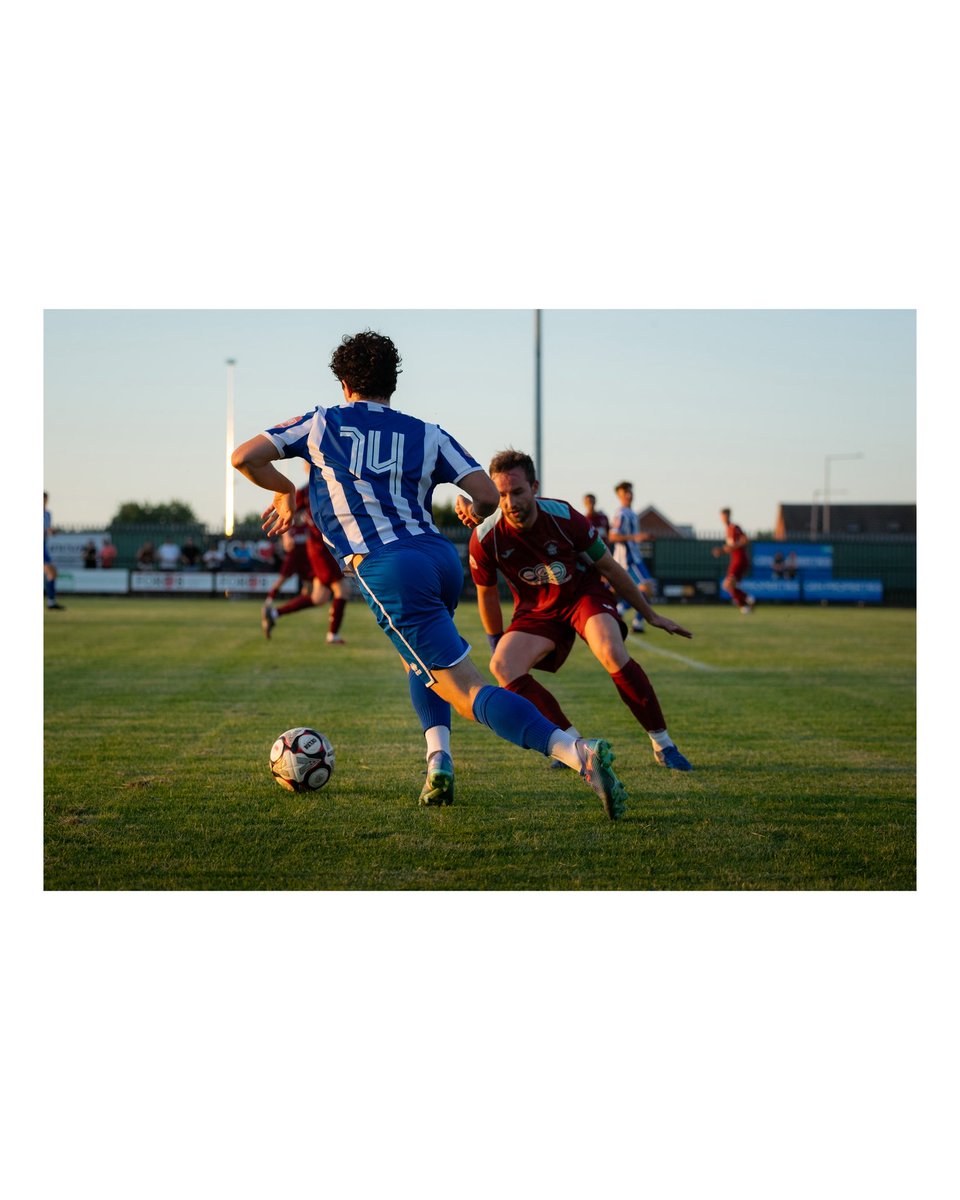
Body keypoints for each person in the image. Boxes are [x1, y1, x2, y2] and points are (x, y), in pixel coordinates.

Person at [231, 329, 628, 818]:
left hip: (387, 565)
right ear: (393, 382)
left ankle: (576, 752)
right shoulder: (427, 432)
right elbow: (485, 494)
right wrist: (469, 506)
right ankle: (438, 761)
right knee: (419, 662)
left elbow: (244, 457)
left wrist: (285, 491)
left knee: (466, 691)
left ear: (341, 381)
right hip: (439, 559)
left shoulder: (319, 424)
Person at [464, 450, 694, 772]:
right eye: (501, 494)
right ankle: (572, 745)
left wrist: (650, 613)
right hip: (537, 612)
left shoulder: (564, 517)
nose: (510, 502)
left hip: (581, 596)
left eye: (517, 492)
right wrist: (495, 641)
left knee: (611, 651)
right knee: (503, 666)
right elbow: (486, 592)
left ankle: (663, 745)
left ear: (534, 487)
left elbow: (610, 568)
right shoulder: (486, 536)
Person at [260, 484, 348, 644]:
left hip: (325, 548)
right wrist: (285, 537)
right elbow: (286, 511)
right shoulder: (306, 490)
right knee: (342, 589)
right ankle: (333, 635)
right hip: (319, 548)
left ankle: (273, 613)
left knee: (319, 597)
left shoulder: (334, 483)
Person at [607, 481, 655, 633]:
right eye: (625, 492)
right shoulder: (621, 514)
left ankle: (636, 623)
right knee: (647, 588)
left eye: (630, 491)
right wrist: (635, 537)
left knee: (647, 589)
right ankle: (623, 610)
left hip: (636, 558)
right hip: (628, 560)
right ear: (619, 495)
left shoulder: (632, 514)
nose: (628, 494)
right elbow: (613, 536)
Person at [712, 508, 755, 613]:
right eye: (722, 517)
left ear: (729, 516)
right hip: (735, 559)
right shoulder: (728, 530)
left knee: (727, 584)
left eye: (725, 516)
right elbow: (730, 547)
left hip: (739, 559)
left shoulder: (734, 527)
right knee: (729, 585)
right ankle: (745, 607)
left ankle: (747, 599)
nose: (723, 518)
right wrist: (722, 551)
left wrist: (730, 547)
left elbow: (745, 540)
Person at [43, 492, 65, 610]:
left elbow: (47, 530)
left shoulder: (47, 514)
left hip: (43, 545)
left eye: (46, 500)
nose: (45, 502)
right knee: (51, 572)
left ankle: (51, 602)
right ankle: (51, 602)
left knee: (51, 573)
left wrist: (52, 531)